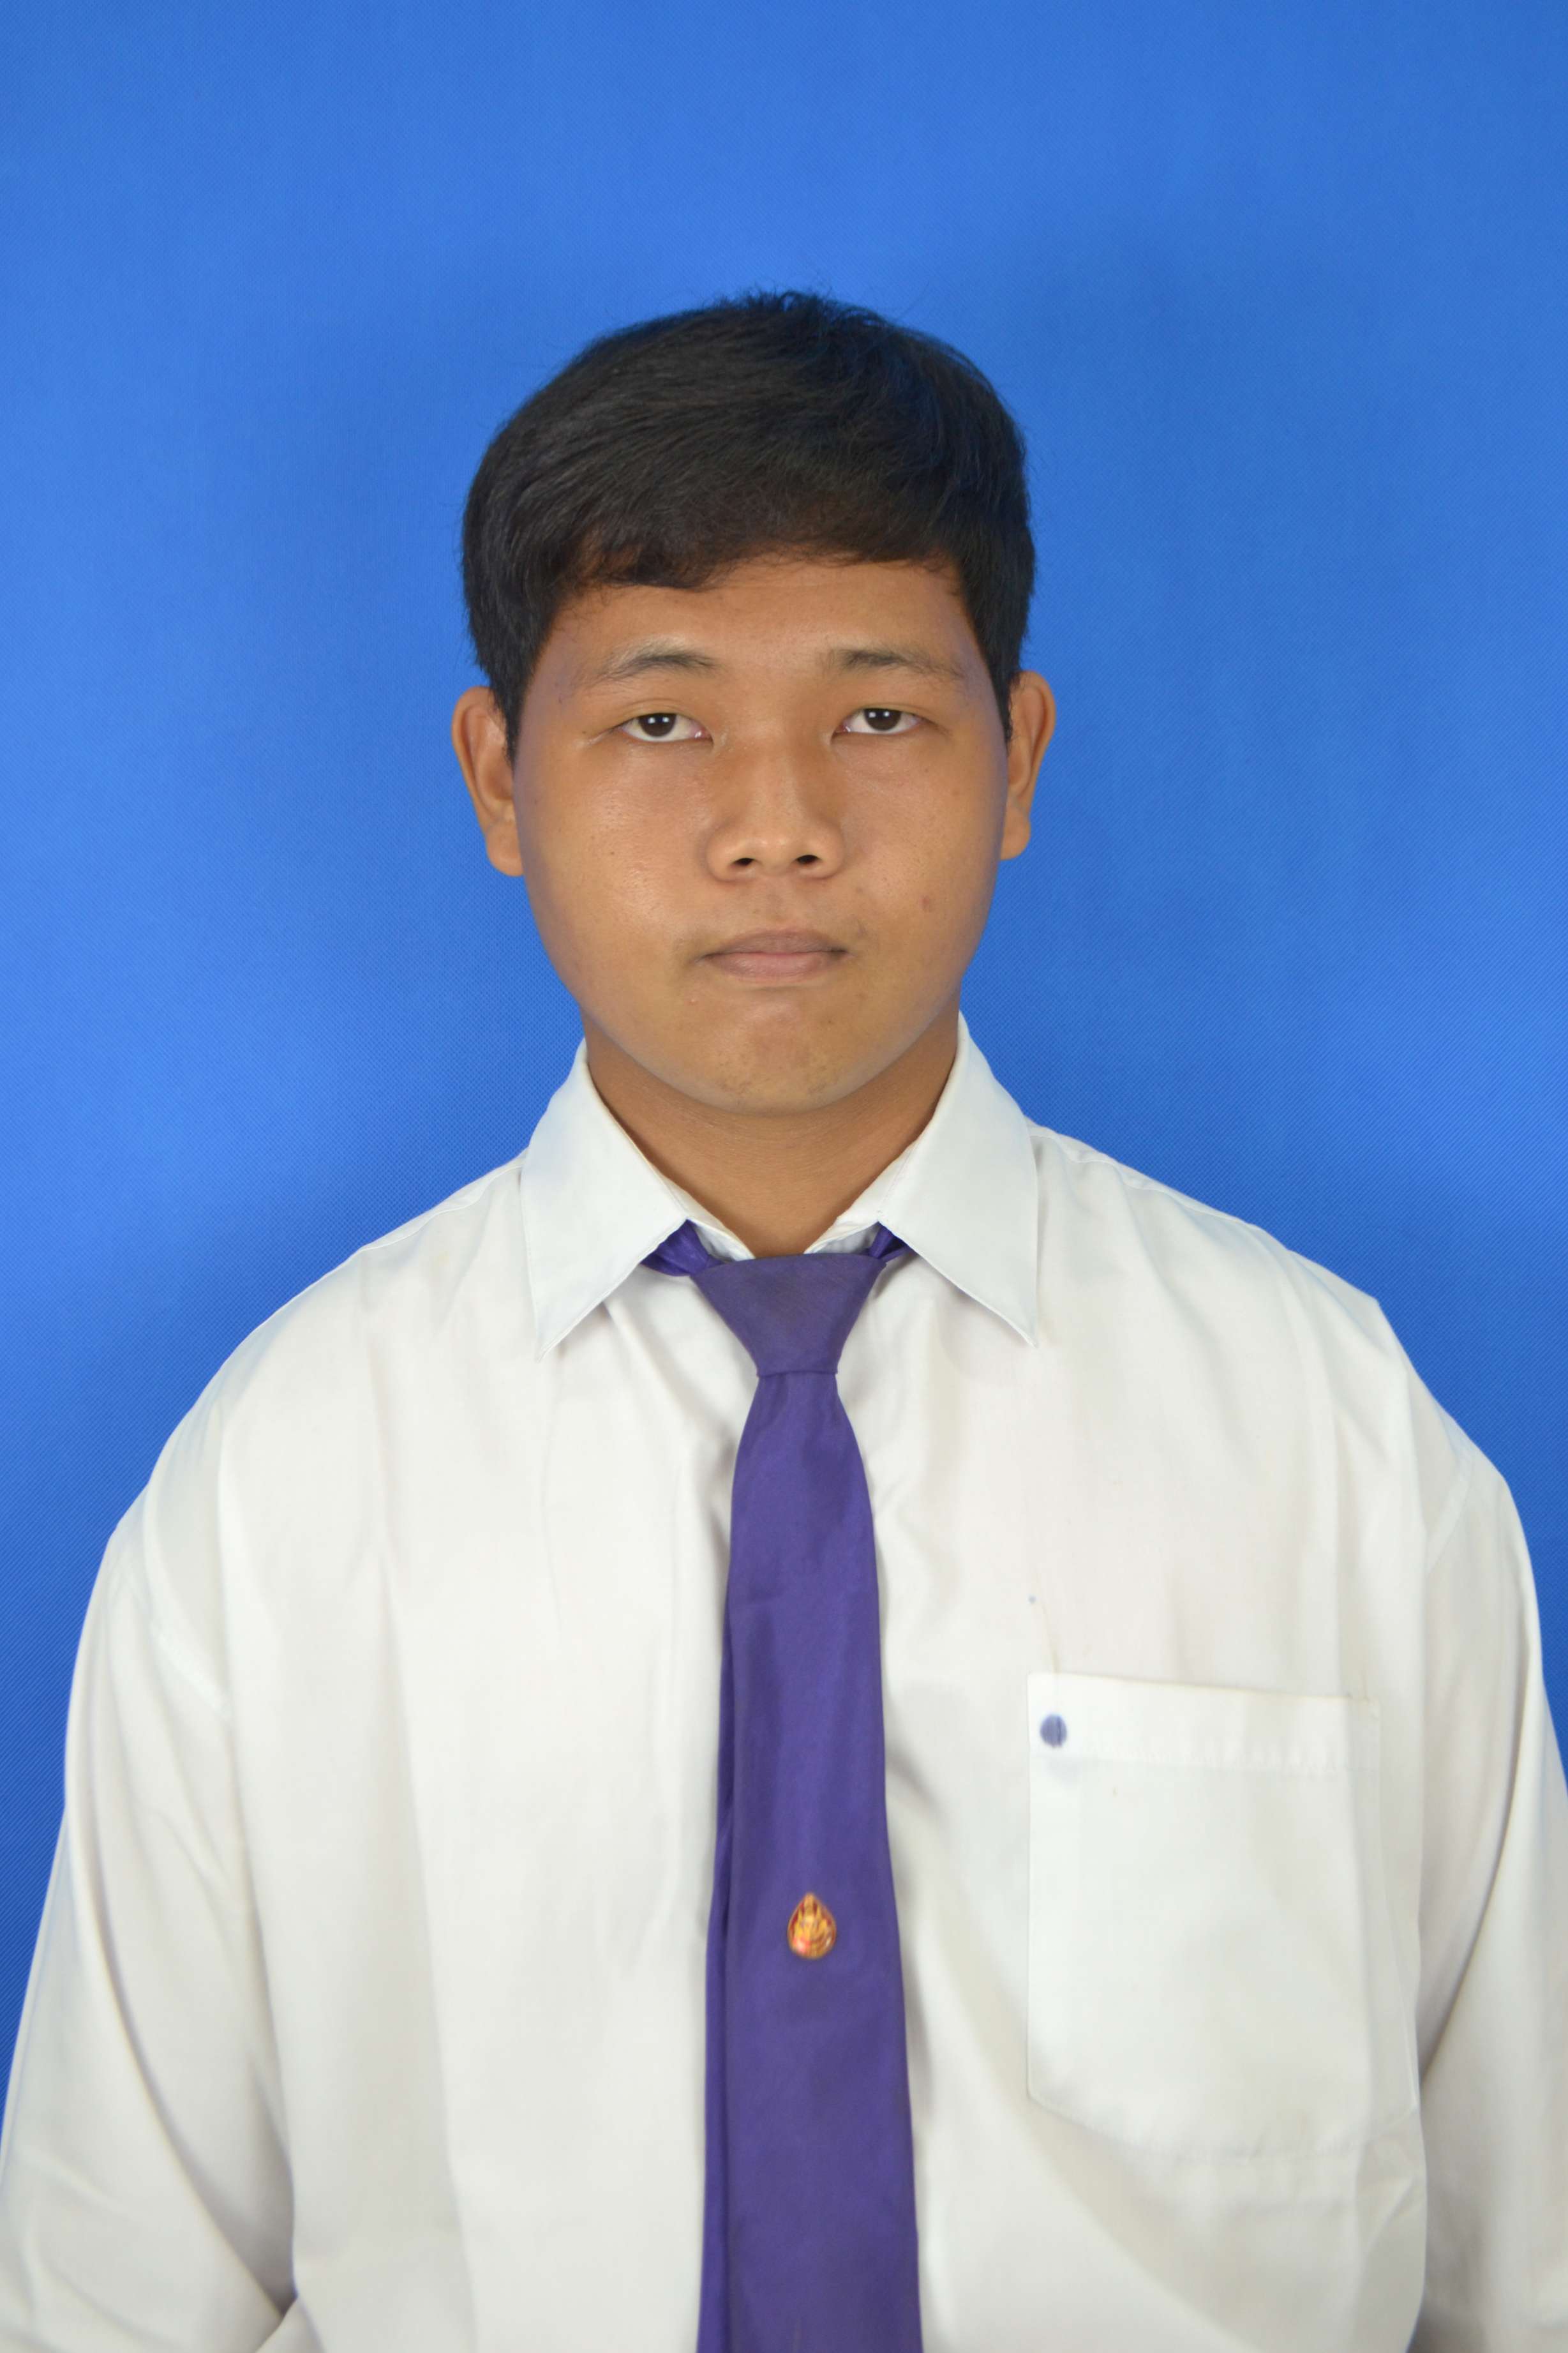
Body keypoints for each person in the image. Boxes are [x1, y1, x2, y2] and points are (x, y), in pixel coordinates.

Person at [0, 289, 1562, 2353]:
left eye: (878, 715)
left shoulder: (1328, 1431)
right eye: (660, 721)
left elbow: (1529, 2259)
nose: (777, 823)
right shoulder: (277, 1486)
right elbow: (115, 2291)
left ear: (1016, 758)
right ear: (497, 777)